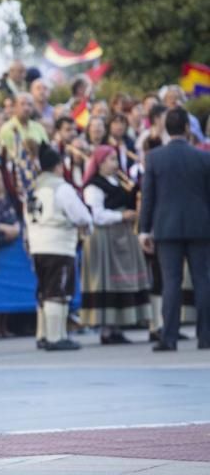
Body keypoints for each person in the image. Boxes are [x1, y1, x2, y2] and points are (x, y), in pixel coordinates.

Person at [139, 108, 210, 351]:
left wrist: (143, 230)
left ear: (166, 129)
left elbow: (148, 197)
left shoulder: (155, 158)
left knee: (171, 283)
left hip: (166, 228)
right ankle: (206, 336)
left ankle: (168, 337)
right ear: (188, 129)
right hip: (200, 227)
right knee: (203, 281)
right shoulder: (203, 157)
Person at [26, 144, 93, 351]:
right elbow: (80, 214)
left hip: (37, 244)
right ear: (58, 166)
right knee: (58, 290)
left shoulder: (33, 188)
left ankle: (44, 334)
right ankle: (56, 337)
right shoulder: (61, 187)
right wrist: (87, 226)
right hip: (59, 244)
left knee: (44, 290)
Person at [80, 145, 150, 344]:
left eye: (115, 159)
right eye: (111, 159)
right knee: (106, 282)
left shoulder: (118, 181)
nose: (115, 164)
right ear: (100, 163)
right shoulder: (94, 186)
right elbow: (96, 215)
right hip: (104, 237)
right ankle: (106, 329)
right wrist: (121, 215)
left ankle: (117, 326)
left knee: (119, 282)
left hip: (121, 235)